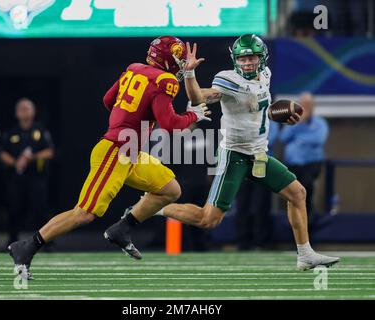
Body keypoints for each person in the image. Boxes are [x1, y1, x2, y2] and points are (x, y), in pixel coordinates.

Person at [7, 36, 210, 279]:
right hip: (116, 151)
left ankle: (122, 229)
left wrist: (130, 117)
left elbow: (107, 101)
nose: (178, 62)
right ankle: (27, 246)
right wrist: (193, 115)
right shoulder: (164, 80)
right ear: (166, 58)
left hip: (130, 150)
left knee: (170, 190)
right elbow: (169, 125)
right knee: (84, 213)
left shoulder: (134, 69)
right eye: (176, 56)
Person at [142, 35, 339, 270]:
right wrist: (190, 74)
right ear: (235, 59)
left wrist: (285, 118)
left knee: (297, 193)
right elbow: (198, 97)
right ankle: (153, 206)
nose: (247, 63)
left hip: (258, 154)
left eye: (252, 57)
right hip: (234, 155)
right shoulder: (228, 80)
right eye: (242, 58)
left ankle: (305, 254)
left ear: (262, 58)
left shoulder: (265, 75)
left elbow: (257, 110)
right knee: (209, 219)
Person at [0, 98, 55, 245]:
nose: (24, 112)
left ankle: (45, 240)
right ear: (16, 113)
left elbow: (50, 151)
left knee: (40, 208)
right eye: (21, 109)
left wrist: (32, 157)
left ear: (34, 111)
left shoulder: (40, 130)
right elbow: (2, 153)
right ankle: (12, 240)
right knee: (14, 207)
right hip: (16, 177)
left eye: (27, 108)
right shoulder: (11, 132)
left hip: (37, 177)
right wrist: (16, 162)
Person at [279, 92, 329, 228]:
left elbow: (319, 139)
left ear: (313, 106)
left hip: (311, 164)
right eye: (303, 104)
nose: (306, 107)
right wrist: (298, 124)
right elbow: (283, 137)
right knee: (291, 196)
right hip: (293, 164)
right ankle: (293, 228)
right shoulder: (292, 121)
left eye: (308, 104)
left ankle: (308, 224)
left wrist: (298, 140)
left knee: (305, 191)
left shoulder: (320, 123)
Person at [236, 121, 279, 250]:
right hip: (243, 162)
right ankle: (243, 241)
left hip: (261, 163)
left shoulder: (270, 120)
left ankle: (261, 240)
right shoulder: (241, 117)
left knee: (260, 205)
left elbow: (268, 141)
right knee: (242, 203)